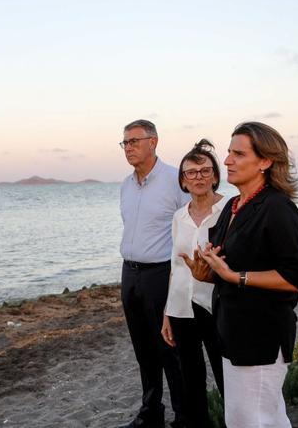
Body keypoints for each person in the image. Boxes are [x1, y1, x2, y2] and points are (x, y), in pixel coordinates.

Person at [184, 122, 298, 428]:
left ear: (265, 161)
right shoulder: (234, 206)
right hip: (232, 332)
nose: (227, 160)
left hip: (261, 337)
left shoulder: (278, 208)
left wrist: (234, 276)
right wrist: (209, 272)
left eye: (238, 154)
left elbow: (293, 277)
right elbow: (228, 262)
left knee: (251, 420)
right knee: (260, 418)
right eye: (228, 152)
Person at [118, 119, 190, 428]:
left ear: (153, 142)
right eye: (125, 143)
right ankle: (151, 412)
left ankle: (182, 417)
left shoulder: (176, 180)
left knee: (168, 349)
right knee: (142, 349)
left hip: (161, 273)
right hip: (129, 274)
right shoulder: (125, 185)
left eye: (134, 141)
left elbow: (190, 228)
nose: (129, 148)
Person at [161, 139, 227, 428]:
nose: (198, 177)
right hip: (180, 309)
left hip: (215, 306)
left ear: (214, 175)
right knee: (191, 383)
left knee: (228, 378)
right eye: (191, 172)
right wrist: (166, 312)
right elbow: (175, 266)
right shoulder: (178, 216)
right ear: (183, 181)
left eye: (204, 171)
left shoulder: (230, 209)